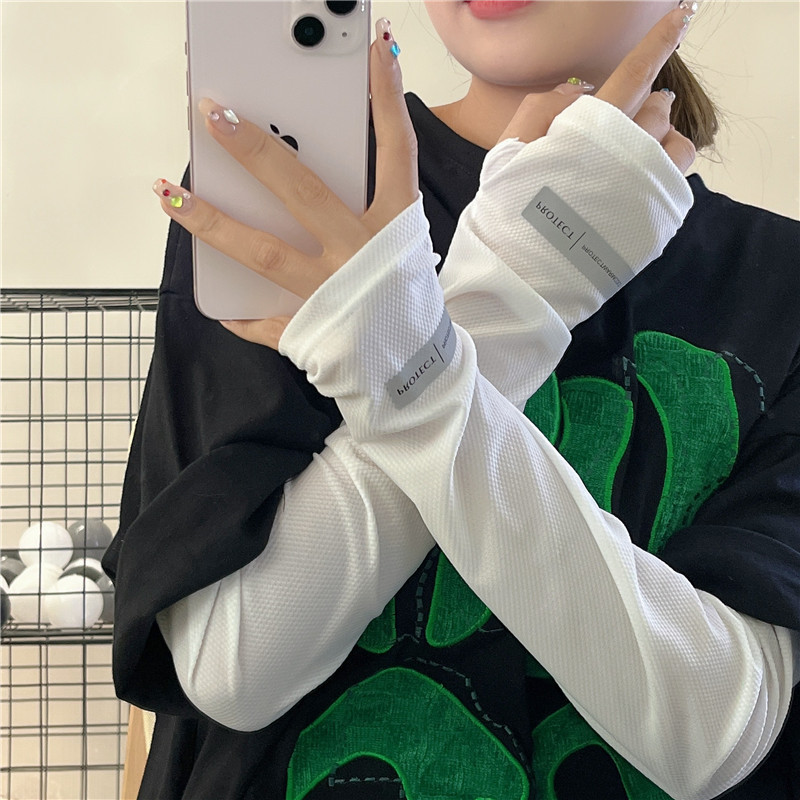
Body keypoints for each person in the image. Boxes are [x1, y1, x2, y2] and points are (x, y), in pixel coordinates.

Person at [102, 2, 800, 798]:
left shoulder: (780, 281)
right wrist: (519, 280)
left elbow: (713, 733)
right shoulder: (294, 190)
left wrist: (414, 360)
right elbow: (230, 665)